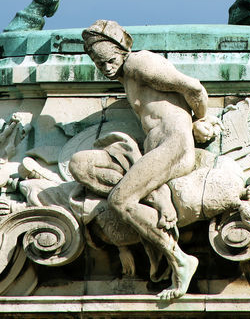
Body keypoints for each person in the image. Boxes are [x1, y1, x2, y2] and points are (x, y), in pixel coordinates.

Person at [78, 20, 220, 299]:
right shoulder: (127, 76)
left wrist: (201, 120)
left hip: (173, 146)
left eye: (108, 59)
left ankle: (180, 259)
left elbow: (193, 88)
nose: (105, 67)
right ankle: (158, 202)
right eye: (98, 62)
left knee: (120, 200)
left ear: (121, 50)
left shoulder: (139, 64)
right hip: (157, 150)